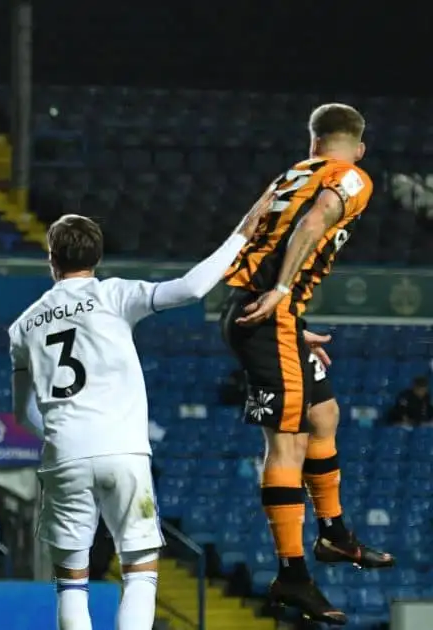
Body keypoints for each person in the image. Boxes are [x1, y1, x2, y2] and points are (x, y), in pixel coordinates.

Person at [9, 201, 270, 630]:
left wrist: (61, 439)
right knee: (140, 571)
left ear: (51, 260)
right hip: (123, 452)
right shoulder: (114, 294)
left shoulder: (23, 326)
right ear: (97, 257)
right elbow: (190, 288)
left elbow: (23, 413)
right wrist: (242, 233)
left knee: (72, 583)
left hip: (64, 456)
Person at [220, 103, 392, 624]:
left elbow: (247, 228)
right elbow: (317, 221)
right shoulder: (353, 178)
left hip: (271, 317)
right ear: (358, 147)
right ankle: (293, 574)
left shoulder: (292, 173)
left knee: (325, 415)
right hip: (268, 313)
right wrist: (279, 293)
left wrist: (290, 321)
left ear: (312, 141)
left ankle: (334, 535)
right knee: (288, 441)